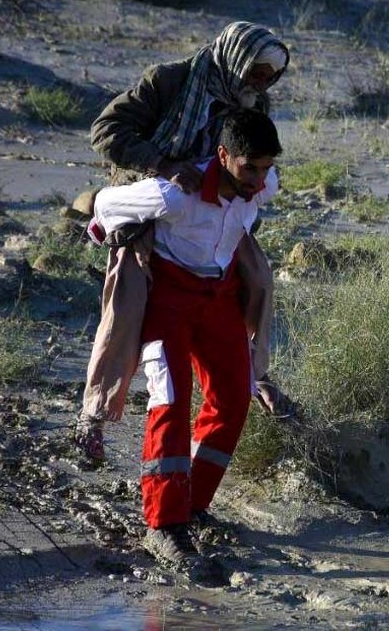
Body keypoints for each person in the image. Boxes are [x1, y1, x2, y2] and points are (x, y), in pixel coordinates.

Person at [76, 21, 294, 463]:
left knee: (259, 283)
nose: (260, 84)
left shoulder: (252, 101)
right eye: (256, 72)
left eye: (269, 77)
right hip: (154, 205)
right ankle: (93, 416)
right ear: (235, 58)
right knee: (124, 311)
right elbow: (106, 131)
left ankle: (257, 375)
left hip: (219, 211)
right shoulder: (170, 82)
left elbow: (251, 156)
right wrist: (164, 164)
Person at [87, 108, 281, 570]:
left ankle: (192, 503)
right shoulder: (174, 195)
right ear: (223, 156)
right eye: (249, 167)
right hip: (167, 303)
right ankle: (164, 524)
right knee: (169, 401)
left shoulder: (264, 187)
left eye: (266, 168)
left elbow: (244, 222)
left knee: (234, 397)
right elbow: (102, 207)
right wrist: (118, 235)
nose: (258, 180)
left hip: (220, 299)